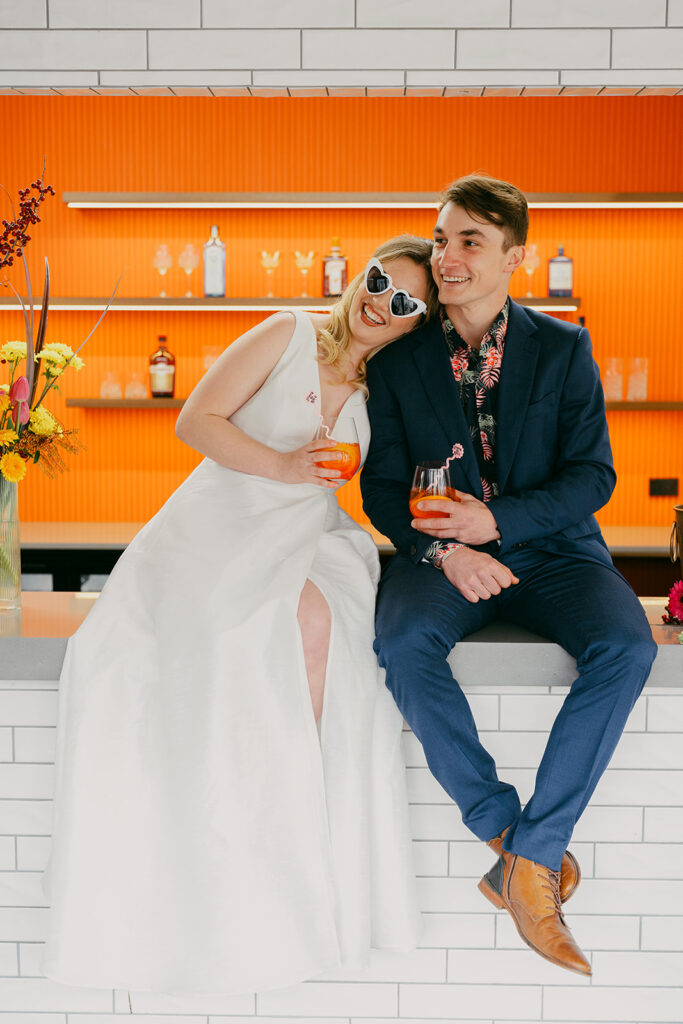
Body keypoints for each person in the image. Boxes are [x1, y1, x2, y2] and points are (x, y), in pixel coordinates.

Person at [41, 235, 440, 996]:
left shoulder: (380, 394)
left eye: (405, 302)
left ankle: (287, 815)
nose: (381, 302)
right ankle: (212, 828)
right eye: (380, 280)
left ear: (415, 324)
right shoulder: (286, 331)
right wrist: (286, 465)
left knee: (315, 628)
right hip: (220, 518)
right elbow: (197, 421)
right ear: (362, 275)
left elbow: (391, 482)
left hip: (308, 531)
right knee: (210, 639)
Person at [361, 175, 658, 978]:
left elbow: (594, 477)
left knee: (628, 648)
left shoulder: (563, 347)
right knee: (399, 642)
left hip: (555, 552)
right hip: (440, 556)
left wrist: (497, 524)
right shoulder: (396, 359)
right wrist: (448, 550)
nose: (447, 257)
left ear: (513, 257)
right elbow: (382, 488)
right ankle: (512, 841)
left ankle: (533, 855)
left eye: (469, 242)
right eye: (441, 238)